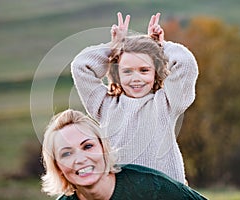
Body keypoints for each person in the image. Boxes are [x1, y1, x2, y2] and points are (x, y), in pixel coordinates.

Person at [70, 12, 198, 184]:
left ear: (156, 71)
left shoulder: (165, 102)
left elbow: (186, 64)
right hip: (122, 191)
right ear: (116, 72)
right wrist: (114, 47)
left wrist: (160, 46)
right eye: (127, 71)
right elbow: (80, 66)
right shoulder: (105, 105)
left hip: (166, 191)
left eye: (144, 70)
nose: (136, 78)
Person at [41, 109, 207, 199]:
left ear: (104, 148)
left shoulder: (150, 186)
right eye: (66, 154)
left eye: (88, 146)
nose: (80, 159)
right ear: (58, 167)